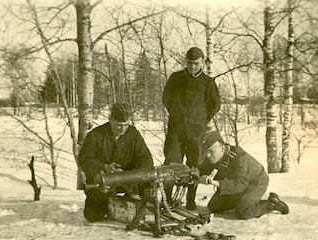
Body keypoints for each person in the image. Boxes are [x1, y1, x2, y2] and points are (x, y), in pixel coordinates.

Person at [162, 46, 221, 210]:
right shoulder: (176, 78)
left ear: (202, 62)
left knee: (194, 166)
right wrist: (176, 115)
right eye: (189, 63)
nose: (192, 66)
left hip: (197, 132)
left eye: (196, 63)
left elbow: (215, 105)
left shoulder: (208, 82)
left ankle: (190, 200)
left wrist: (202, 120)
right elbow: (166, 99)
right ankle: (167, 200)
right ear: (185, 61)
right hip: (176, 130)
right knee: (171, 164)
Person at [78, 102, 153, 222]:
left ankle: (131, 202)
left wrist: (134, 176)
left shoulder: (133, 134)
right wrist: (103, 167)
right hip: (103, 182)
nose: (123, 129)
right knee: (93, 215)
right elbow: (83, 159)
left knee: (137, 209)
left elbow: (145, 158)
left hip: (129, 182)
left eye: (126, 125)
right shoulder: (96, 135)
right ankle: (107, 204)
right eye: (119, 125)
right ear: (111, 120)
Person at [196, 131, 289, 220]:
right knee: (214, 207)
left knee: (243, 212)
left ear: (222, 148)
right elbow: (201, 170)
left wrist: (214, 182)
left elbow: (240, 183)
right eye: (206, 151)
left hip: (256, 182)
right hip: (236, 184)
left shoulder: (240, 157)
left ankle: (271, 204)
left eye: (211, 151)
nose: (208, 155)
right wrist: (198, 175)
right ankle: (244, 201)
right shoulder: (215, 156)